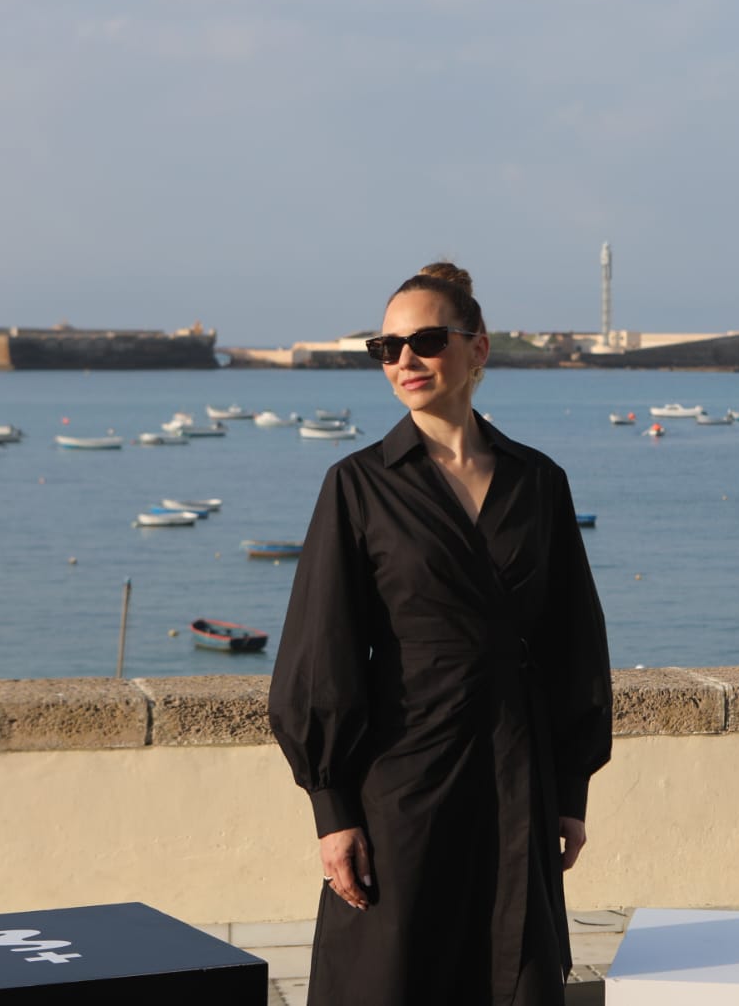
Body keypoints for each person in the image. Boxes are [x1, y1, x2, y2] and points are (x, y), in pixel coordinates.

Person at [270, 262, 613, 1005]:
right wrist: (332, 810)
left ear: (477, 349)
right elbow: (318, 654)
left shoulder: (537, 482)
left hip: (518, 776)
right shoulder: (357, 485)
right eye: (385, 348)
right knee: (391, 978)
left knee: (511, 975)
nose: (403, 362)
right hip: (402, 780)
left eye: (424, 341)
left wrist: (571, 788)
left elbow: (573, 644)